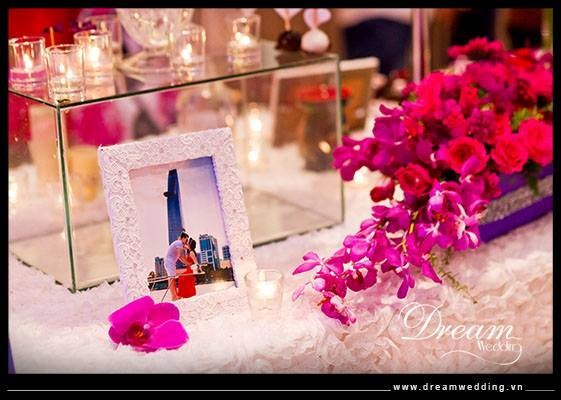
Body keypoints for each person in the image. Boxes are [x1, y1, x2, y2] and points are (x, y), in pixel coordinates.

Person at [164, 232, 190, 301]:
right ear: (183, 238)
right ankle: (174, 297)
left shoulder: (178, 243)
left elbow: (186, 247)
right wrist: (188, 264)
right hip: (170, 262)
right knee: (171, 279)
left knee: (172, 278)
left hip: (170, 262)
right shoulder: (179, 242)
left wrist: (188, 247)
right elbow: (180, 256)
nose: (186, 241)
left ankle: (175, 296)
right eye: (186, 239)